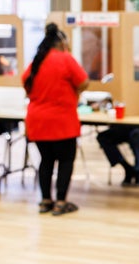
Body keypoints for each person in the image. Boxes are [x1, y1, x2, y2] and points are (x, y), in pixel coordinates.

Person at [23, 23, 89, 216]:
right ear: (61, 43)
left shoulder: (37, 61)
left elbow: (25, 83)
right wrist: (74, 92)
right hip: (62, 121)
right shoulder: (65, 59)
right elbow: (84, 81)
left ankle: (45, 201)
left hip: (37, 121)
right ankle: (60, 202)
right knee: (66, 161)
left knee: (46, 161)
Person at [97, 56, 139, 186]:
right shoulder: (120, 81)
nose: (138, 70)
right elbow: (106, 94)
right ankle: (128, 168)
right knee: (103, 137)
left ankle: (138, 169)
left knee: (137, 136)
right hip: (123, 125)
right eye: (135, 68)